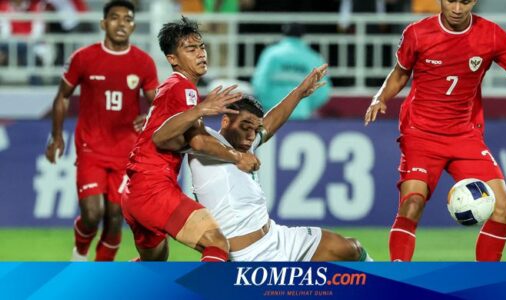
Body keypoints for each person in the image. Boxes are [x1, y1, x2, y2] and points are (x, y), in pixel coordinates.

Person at [364, 0, 506, 262]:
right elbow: (400, 73)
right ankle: (397, 280)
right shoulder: (417, 33)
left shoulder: (492, 35)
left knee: (503, 209)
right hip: (421, 134)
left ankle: (485, 283)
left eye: (465, 1)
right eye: (452, 0)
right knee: (411, 205)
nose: (458, 8)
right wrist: (380, 97)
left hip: (465, 136)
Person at [189, 65, 373, 262]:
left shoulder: (245, 143)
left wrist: (299, 92)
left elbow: (270, 123)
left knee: (350, 248)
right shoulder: (204, 140)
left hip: (277, 237)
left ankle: (390, 286)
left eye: (255, 129)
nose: (251, 135)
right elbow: (191, 137)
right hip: (247, 254)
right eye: (245, 127)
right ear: (225, 121)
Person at [121, 16, 259, 262]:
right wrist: (237, 156)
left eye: (201, 47)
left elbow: (183, 138)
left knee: (154, 264)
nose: (200, 54)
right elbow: (184, 140)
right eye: (190, 49)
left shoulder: (173, 88)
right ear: (172, 59)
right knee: (216, 243)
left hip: (134, 191)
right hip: (153, 187)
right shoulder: (183, 88)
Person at [45, 0, 159, 262]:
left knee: (115, 217)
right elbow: (63, 96)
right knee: (92, 215)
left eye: (128, 19)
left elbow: (157, 103)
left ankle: (98, 277)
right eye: (115, 18)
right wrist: (57, 135)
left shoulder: (142, 63)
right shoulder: (84, 57)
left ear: (133, 25)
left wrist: (150, 117)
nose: (122, 24)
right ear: (103, 23)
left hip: (125, 153)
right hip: (91, 148)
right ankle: (80, 252)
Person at [251, 23, 331, 120]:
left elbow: (259, 83)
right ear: (302, 35)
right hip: (301, 114)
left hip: (273, 114)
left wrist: (269, 104)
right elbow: (323, 90)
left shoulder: (271, 54)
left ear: (284, 34)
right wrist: (306, 106)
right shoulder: (313, 57)